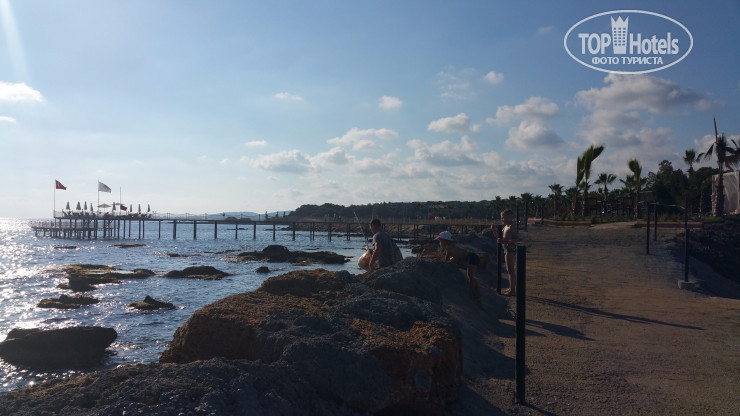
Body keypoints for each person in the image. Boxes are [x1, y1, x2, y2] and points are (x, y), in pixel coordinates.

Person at [436, 231, 482, 306]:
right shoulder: (452, 245)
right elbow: (456, 256)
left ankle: (473, 294)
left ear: (445, 241)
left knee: (470, 277)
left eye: (440, 241)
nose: (440, 243)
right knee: (471, 276)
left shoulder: (449, 248)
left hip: (471, 258)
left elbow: (447, 259)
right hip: (472, 257)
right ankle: (478, 293)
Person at [492, 209, 518, 295]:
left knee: (511, 270)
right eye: (501, 217)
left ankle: (512, 290)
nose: (502, 219)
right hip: (506, 249)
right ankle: (510, 288)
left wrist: (505, 242)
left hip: (510, 250)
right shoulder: (505, 227)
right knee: (508, 270)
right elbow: (499, 237)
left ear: (510, 217)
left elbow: (516, 239)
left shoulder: (511, 227)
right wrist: (494, 230)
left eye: (503, 217)